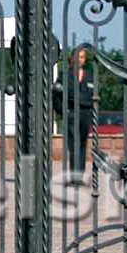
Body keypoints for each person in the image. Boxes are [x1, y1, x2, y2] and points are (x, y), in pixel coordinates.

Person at [53, 45, 95, 173]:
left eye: (82, 57)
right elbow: (55, 95)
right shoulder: (64, 75)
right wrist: (62, 111)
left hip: (86, 113)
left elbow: (95, 96)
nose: (80, 60)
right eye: (78, 57)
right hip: (71, 112)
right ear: (71, 58)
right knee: (73, 144)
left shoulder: (90, 75)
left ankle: (80, 174)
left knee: (82, 144)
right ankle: (74, 174)